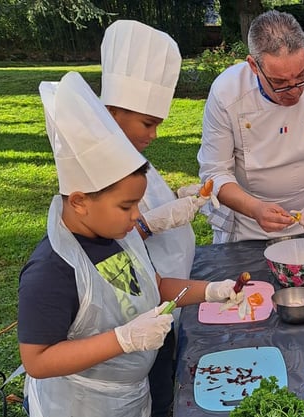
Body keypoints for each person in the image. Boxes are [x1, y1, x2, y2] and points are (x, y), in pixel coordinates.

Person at [18, 71, 243, 417]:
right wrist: (122, 340)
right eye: (126, 207)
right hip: (80, 405)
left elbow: (157, 286)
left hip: (131, 397)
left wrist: (212, 290)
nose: (137, 217)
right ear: (79, 201)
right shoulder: (51, 270)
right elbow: (37, 360)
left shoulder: (120, 237)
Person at [99, 19, 206, 417]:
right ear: (112, 112)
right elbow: (108, 252)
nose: (155, 134)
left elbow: (144, 197)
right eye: (148, 123)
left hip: (163, 296)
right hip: (135, 321)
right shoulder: (98, 170)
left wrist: (176, 198)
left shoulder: (128, 153)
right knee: (159, 395)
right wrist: (150, 223)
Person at [197, 10, 304, 242]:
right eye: (279, 82)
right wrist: (255, 209)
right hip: (248, 226)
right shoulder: (227, 93)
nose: (294, 89)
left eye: (300, 75)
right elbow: (214, 172)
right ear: (253, 66)